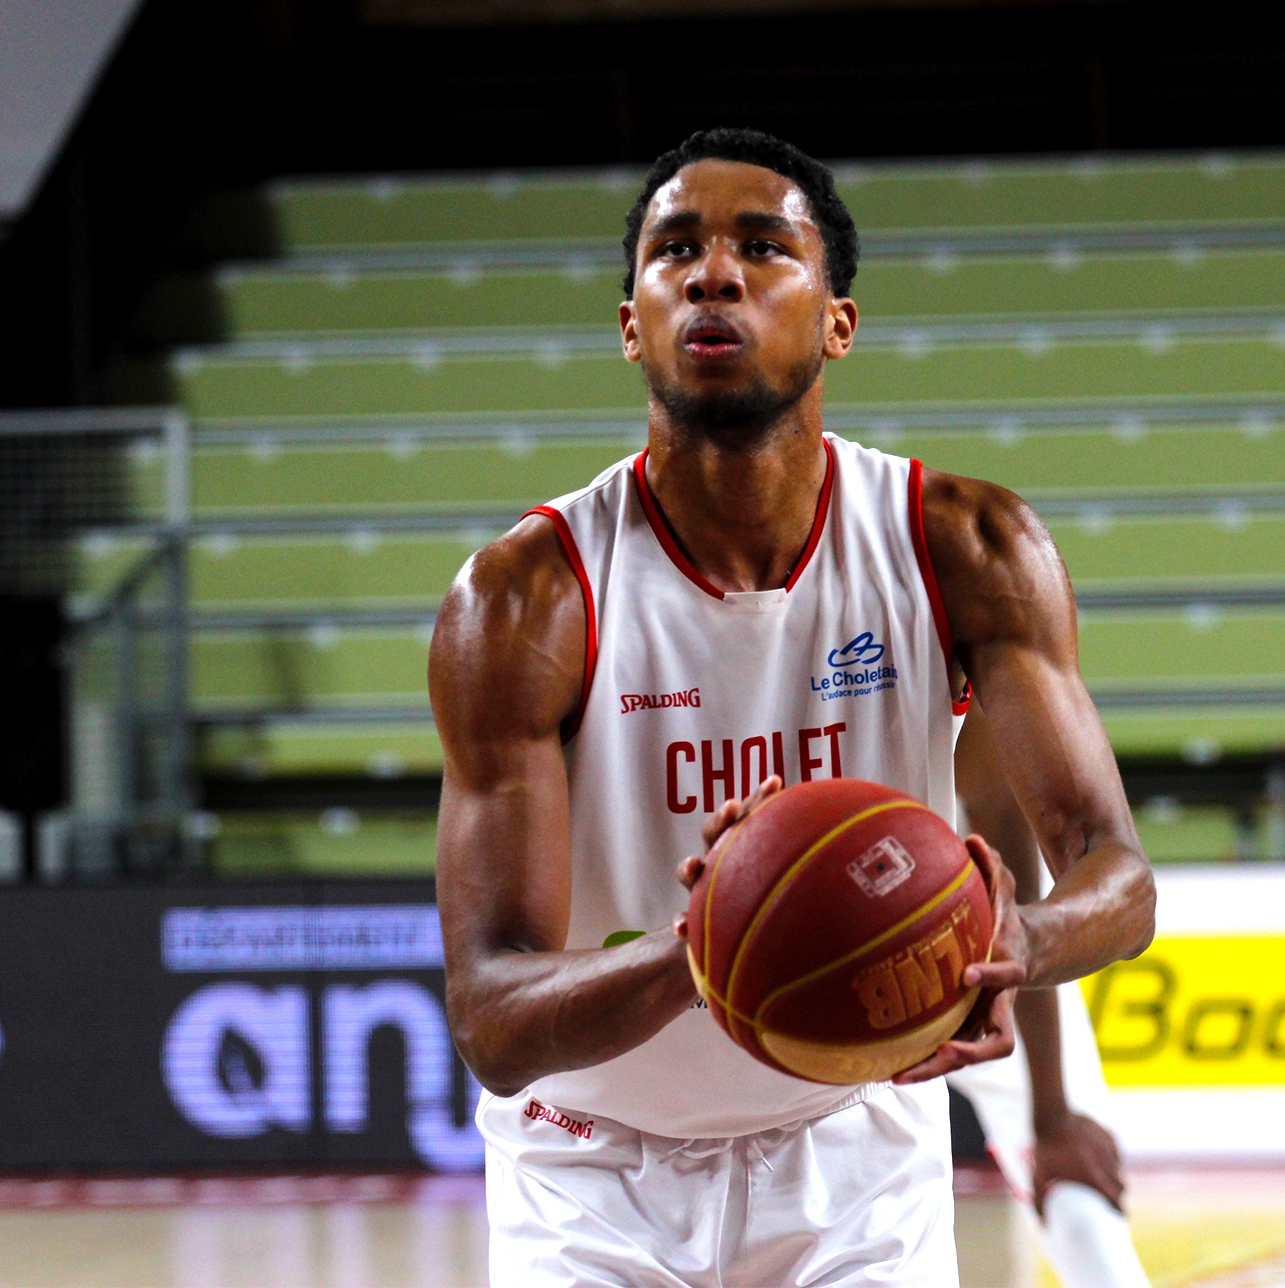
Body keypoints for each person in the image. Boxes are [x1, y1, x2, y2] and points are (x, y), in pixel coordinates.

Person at [431, 127, 1154, 1286]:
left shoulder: (965, 546)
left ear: (837, 321)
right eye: (676, 252)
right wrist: (707, 950)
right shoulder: (525, 601)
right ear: (632, 325)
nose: (713, 273)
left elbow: (1116, 875)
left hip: (853, 1152)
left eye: (763, 247)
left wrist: (1020, 943)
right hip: (589, 1173)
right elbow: (492, 1020)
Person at [949, 711, 1153, 1288]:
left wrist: (1054, 1117)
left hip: (963, 944)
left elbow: (1016, 903)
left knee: (1079, 1185)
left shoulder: (968, 660)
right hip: (812, 945)